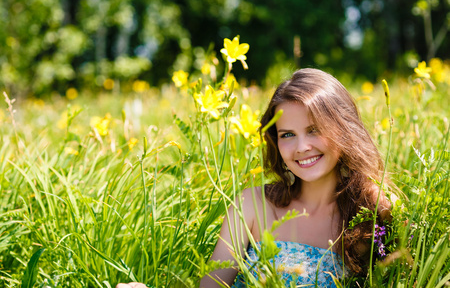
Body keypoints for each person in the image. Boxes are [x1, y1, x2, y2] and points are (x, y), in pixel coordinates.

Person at [117, 68, 394, 288]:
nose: (301, 147)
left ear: (344, 129)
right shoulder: (251, 204)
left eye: (314, 130)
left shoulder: (371, 209)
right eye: (287, 134)